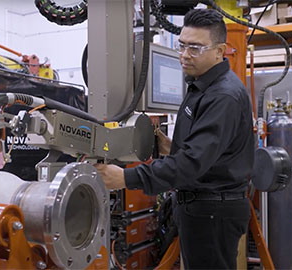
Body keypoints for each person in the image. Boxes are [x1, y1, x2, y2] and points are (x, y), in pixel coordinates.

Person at [94, 8, 254, 269]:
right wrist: (172, 147)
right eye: (182, 46)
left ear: (220, 50)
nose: (184, 55)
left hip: (212, 213)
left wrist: (125, 178)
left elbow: (192, 163)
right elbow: (207, 152)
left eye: (195, 48)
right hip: (203, 208)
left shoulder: (222, 96)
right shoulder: (202, 84)